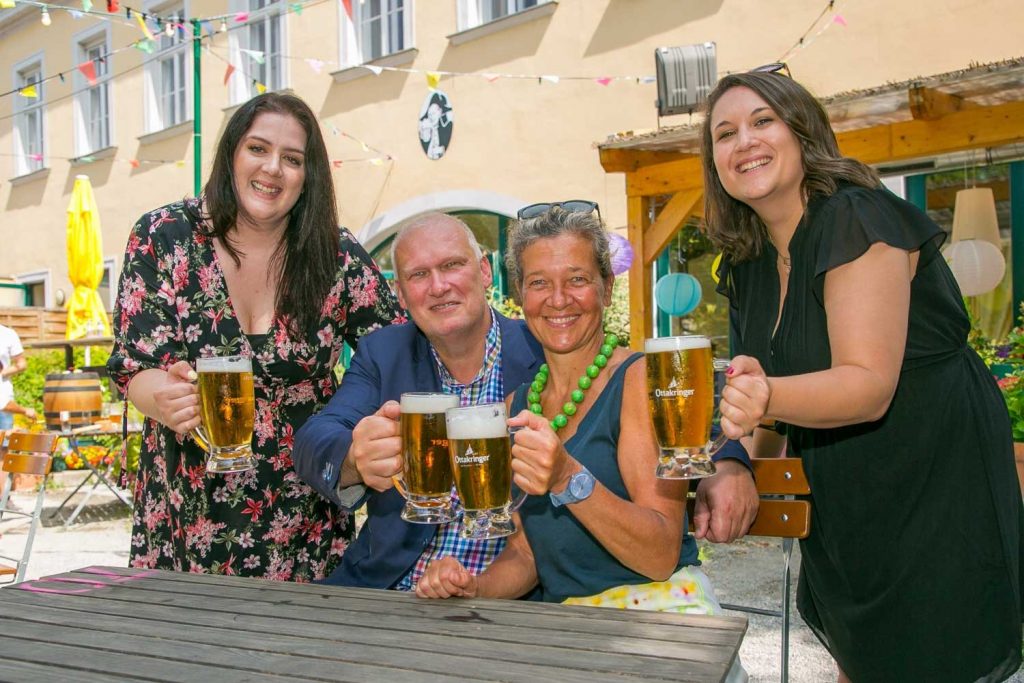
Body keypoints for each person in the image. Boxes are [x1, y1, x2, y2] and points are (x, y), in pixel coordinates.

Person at [703, 68, 1024, 682]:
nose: (743, 141)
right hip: (845, 495)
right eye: (724, 133)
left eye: (762, 121)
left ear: (802, 132)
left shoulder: (858, 218)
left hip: (934, 483)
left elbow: (867, 385)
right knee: (865, 660)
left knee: (931, 659)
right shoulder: (747, 264)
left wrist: (762, 395)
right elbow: (756, 402)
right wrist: (731, 464)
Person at [293, 211, 756, 591]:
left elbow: (664, 401)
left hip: (526, 609)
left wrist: (731, 461)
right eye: (419, 274)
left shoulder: (547, 341)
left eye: (452, 265)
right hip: (403, 588)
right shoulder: (385, 353)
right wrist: (355, 457)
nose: (438, 286)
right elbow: (315, 437)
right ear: (401, 293)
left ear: (484, 272)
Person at [414, 206, 751, 640]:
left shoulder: (637, 380)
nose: (558, 299)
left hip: (658, 617)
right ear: (520, 293)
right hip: (571, 628)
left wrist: (567, 478)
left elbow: (660, 554)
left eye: (577, 279)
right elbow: (528, 553)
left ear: (606, 288)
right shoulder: (520, 401)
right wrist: (473, 585)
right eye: (539, 283)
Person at [106, 92, 403, 581]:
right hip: (190, 503)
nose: (273, 169)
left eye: (292, 159)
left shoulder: (336, 255)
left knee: (302, 652)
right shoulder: (165, 236)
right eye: (257, 149)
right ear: (231, 155)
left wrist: (362, 429)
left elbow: (394, 353)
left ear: (309, 178)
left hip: (305, 511)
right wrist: (166, 398)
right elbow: (134, 365)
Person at [0, 325, 28, 430]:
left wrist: (2, 374)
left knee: (5, 440)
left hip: (3, 394)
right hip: (4, 400)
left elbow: (21, 364)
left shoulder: (8, 334)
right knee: (4, 442)